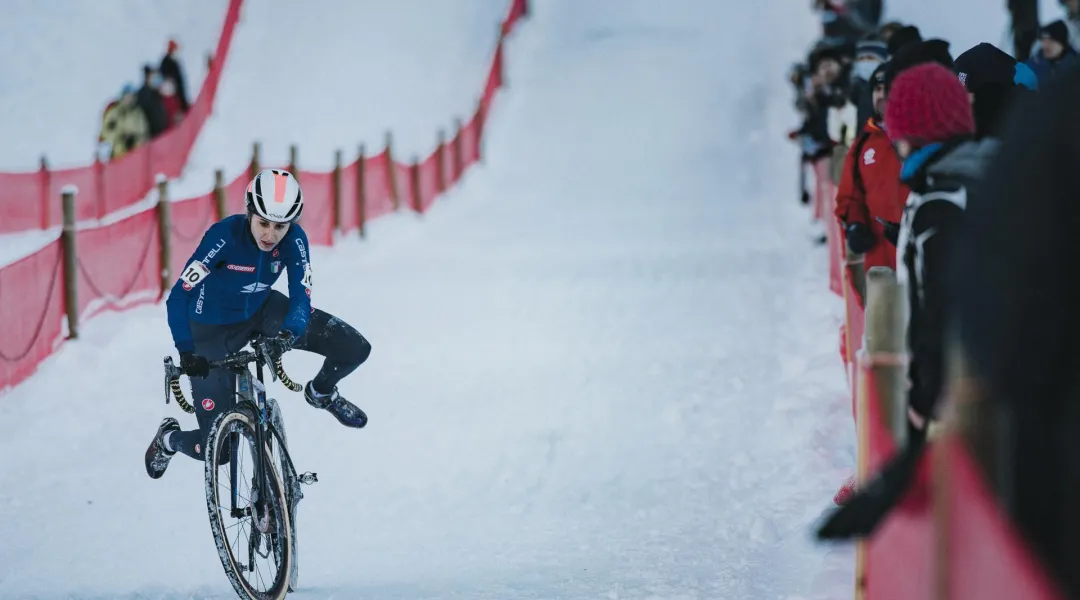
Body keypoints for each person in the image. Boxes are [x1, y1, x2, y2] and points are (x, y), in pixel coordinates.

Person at [144, 169, 371, 479]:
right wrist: (186, 351)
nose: (270, 234)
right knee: (220, 450)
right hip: (208, 333)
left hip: (261, 312)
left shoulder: (294, 241)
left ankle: (321, 392)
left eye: (279, 226)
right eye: (263, 223)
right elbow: (177, 298)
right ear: (249, 213)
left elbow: (301, 298)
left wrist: (289, 333)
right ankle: (168, 440)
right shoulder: (224, 236)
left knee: (354, 348)